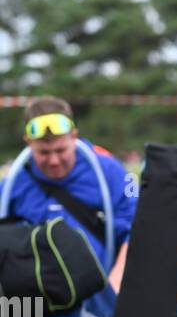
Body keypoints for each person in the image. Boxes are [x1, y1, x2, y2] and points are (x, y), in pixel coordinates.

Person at [0, 96, 138, 303]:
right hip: (40, 305)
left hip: (102, 296)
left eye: (61, 150)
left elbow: (137, 229)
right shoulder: (13, 184)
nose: (54, 161)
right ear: (28, 142)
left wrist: (115, 287)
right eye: (43, 152)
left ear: (74, 136)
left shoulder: (109, 171)